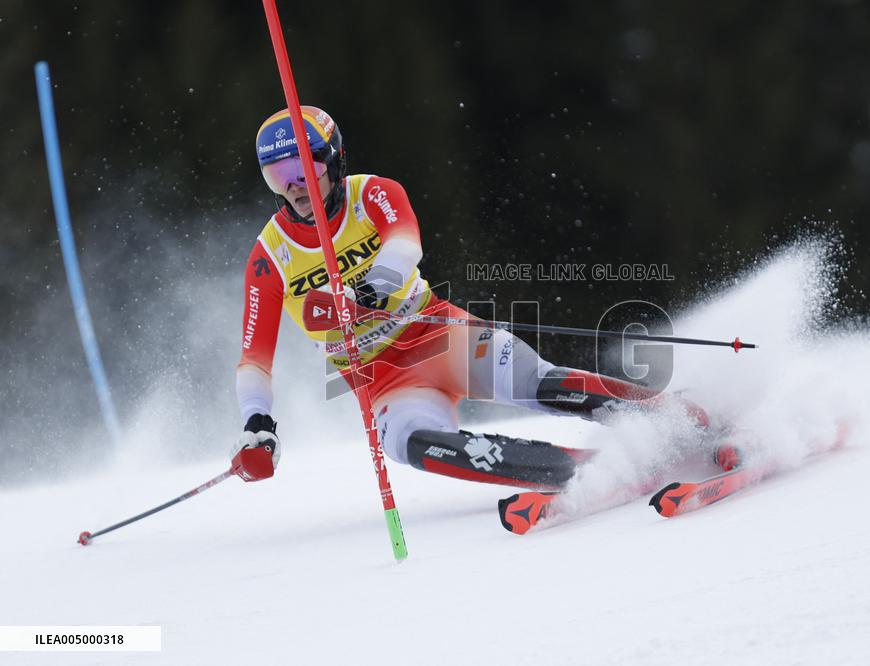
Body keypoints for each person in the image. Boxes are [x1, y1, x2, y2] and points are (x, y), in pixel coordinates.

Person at [231, 106, 710, 487]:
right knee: (410, 443)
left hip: (439, 335)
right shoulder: (269, 256)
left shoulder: (372, 193)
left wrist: (373, 286)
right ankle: (575, 471)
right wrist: (259, 425)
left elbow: (405, 241)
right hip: (382, 380)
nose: (295, 187)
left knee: (537, 383)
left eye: (304, 167)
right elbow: (254, 359)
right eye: (278, 176)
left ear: (334, 159)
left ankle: (680, 418)